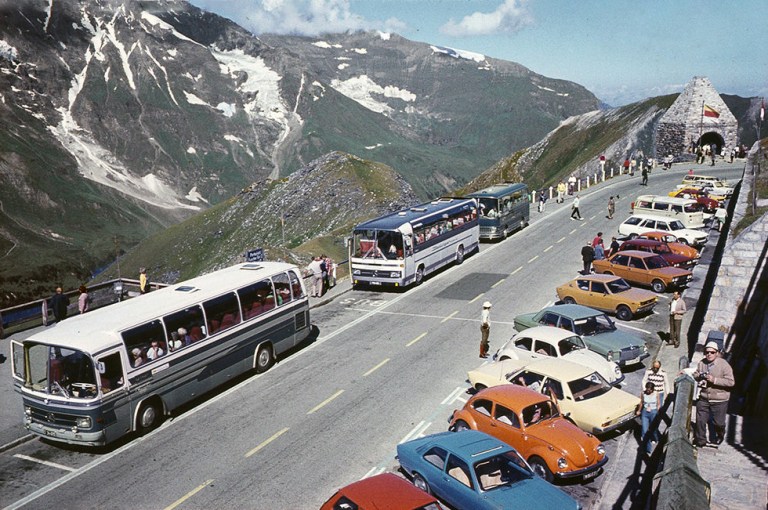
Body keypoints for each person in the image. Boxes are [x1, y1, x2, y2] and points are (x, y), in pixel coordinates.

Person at [693, 341, 735, 447]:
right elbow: (696, 373)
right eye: (707, 352)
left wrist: (714, 380)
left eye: (712, 352)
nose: (709, 354)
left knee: (718, 423)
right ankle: (701, 440)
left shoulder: (724, 365)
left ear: (717, 353)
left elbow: (731, 382)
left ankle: (720, 434)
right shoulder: (702, 363)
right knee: (700, 421)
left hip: (719, 400)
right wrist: (698, 376)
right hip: (704, 397)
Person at [636, 381, 661, 455]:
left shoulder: (656, 393)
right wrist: (639, 411)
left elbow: (658, 404)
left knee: (654, 429)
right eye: (647, 389)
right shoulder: (643, 393)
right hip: (645, 413)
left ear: (652, 389)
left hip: (653, 412)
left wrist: (658, 412)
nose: (648, 391)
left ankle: (655, 438)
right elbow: (641, 403)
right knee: (644, 430)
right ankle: (647, 449)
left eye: (649, 390)